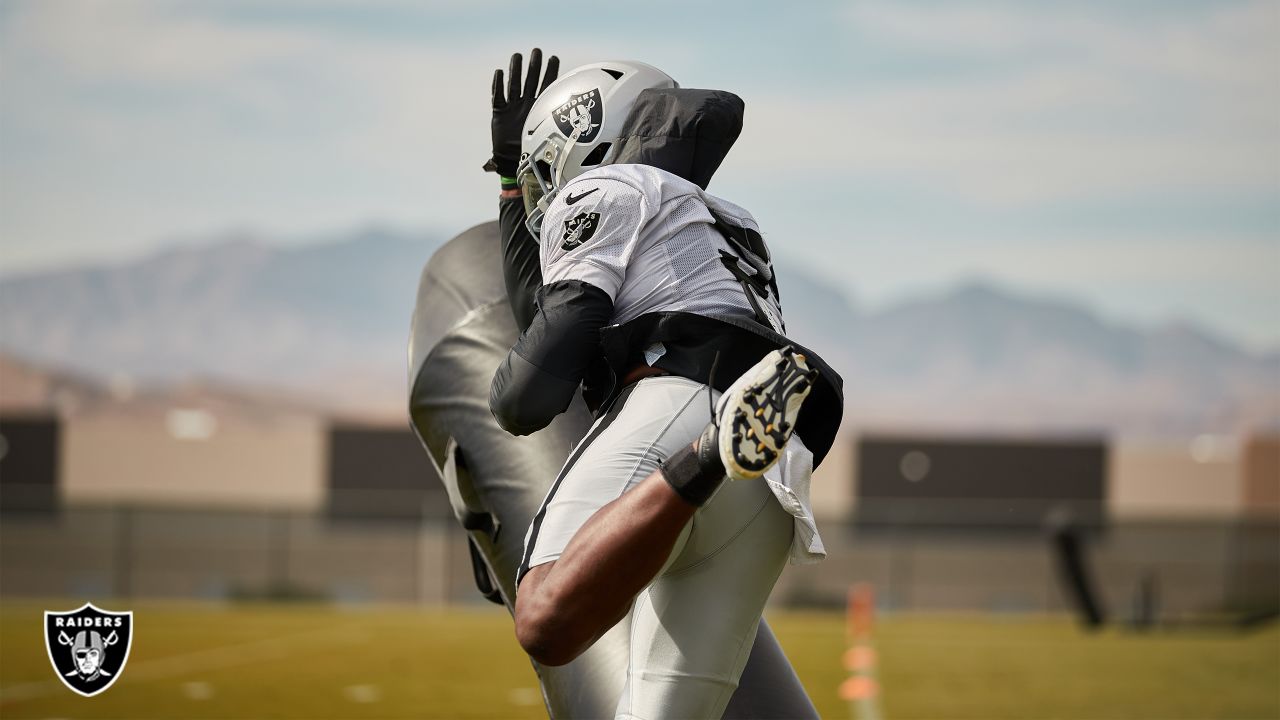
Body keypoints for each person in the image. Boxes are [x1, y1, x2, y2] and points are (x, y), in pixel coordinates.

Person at [484, 49, 844, 719]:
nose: (540, 196)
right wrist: (508, 184)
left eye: (539, 177)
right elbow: (554, 310)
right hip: (775, 473)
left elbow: (536, 379)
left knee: (546, 617)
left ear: (583, 142)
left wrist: (497, 402)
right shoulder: (722, 219)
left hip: (683, 408)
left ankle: (709, 453)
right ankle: (718, 449)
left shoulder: (604, 188)